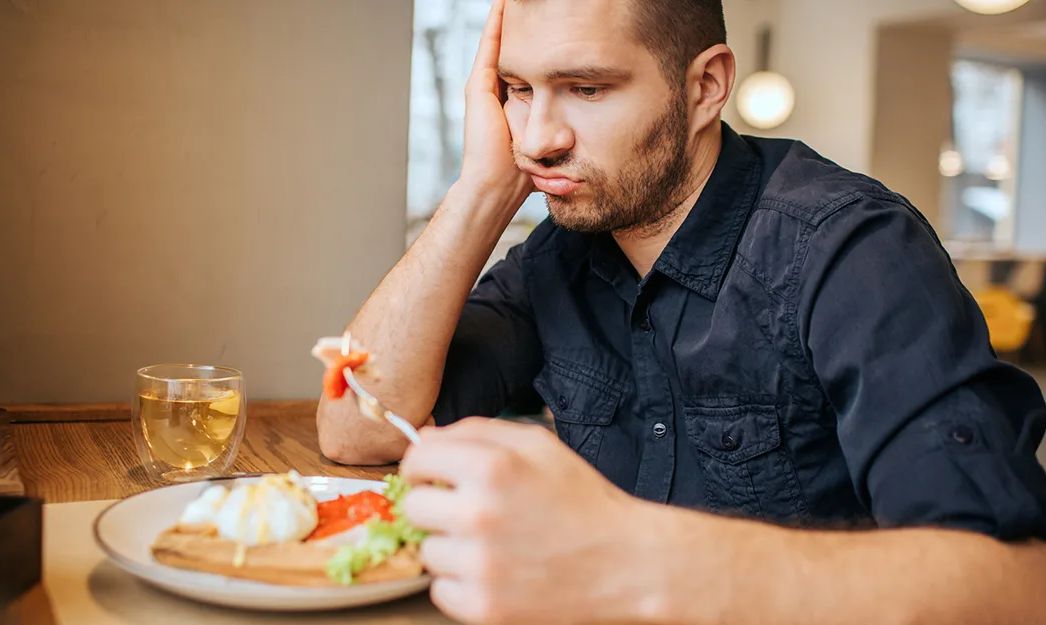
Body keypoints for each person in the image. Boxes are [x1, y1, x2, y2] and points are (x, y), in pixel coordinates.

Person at [317, 0, 1046, 622]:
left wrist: (629, 555)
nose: (537, 138)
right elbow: (355, 425)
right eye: (516, 88)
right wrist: (481, 189)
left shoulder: (855, 251)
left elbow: (1016, 585)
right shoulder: (558, 256)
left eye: (586, 88)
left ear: (705, 86)